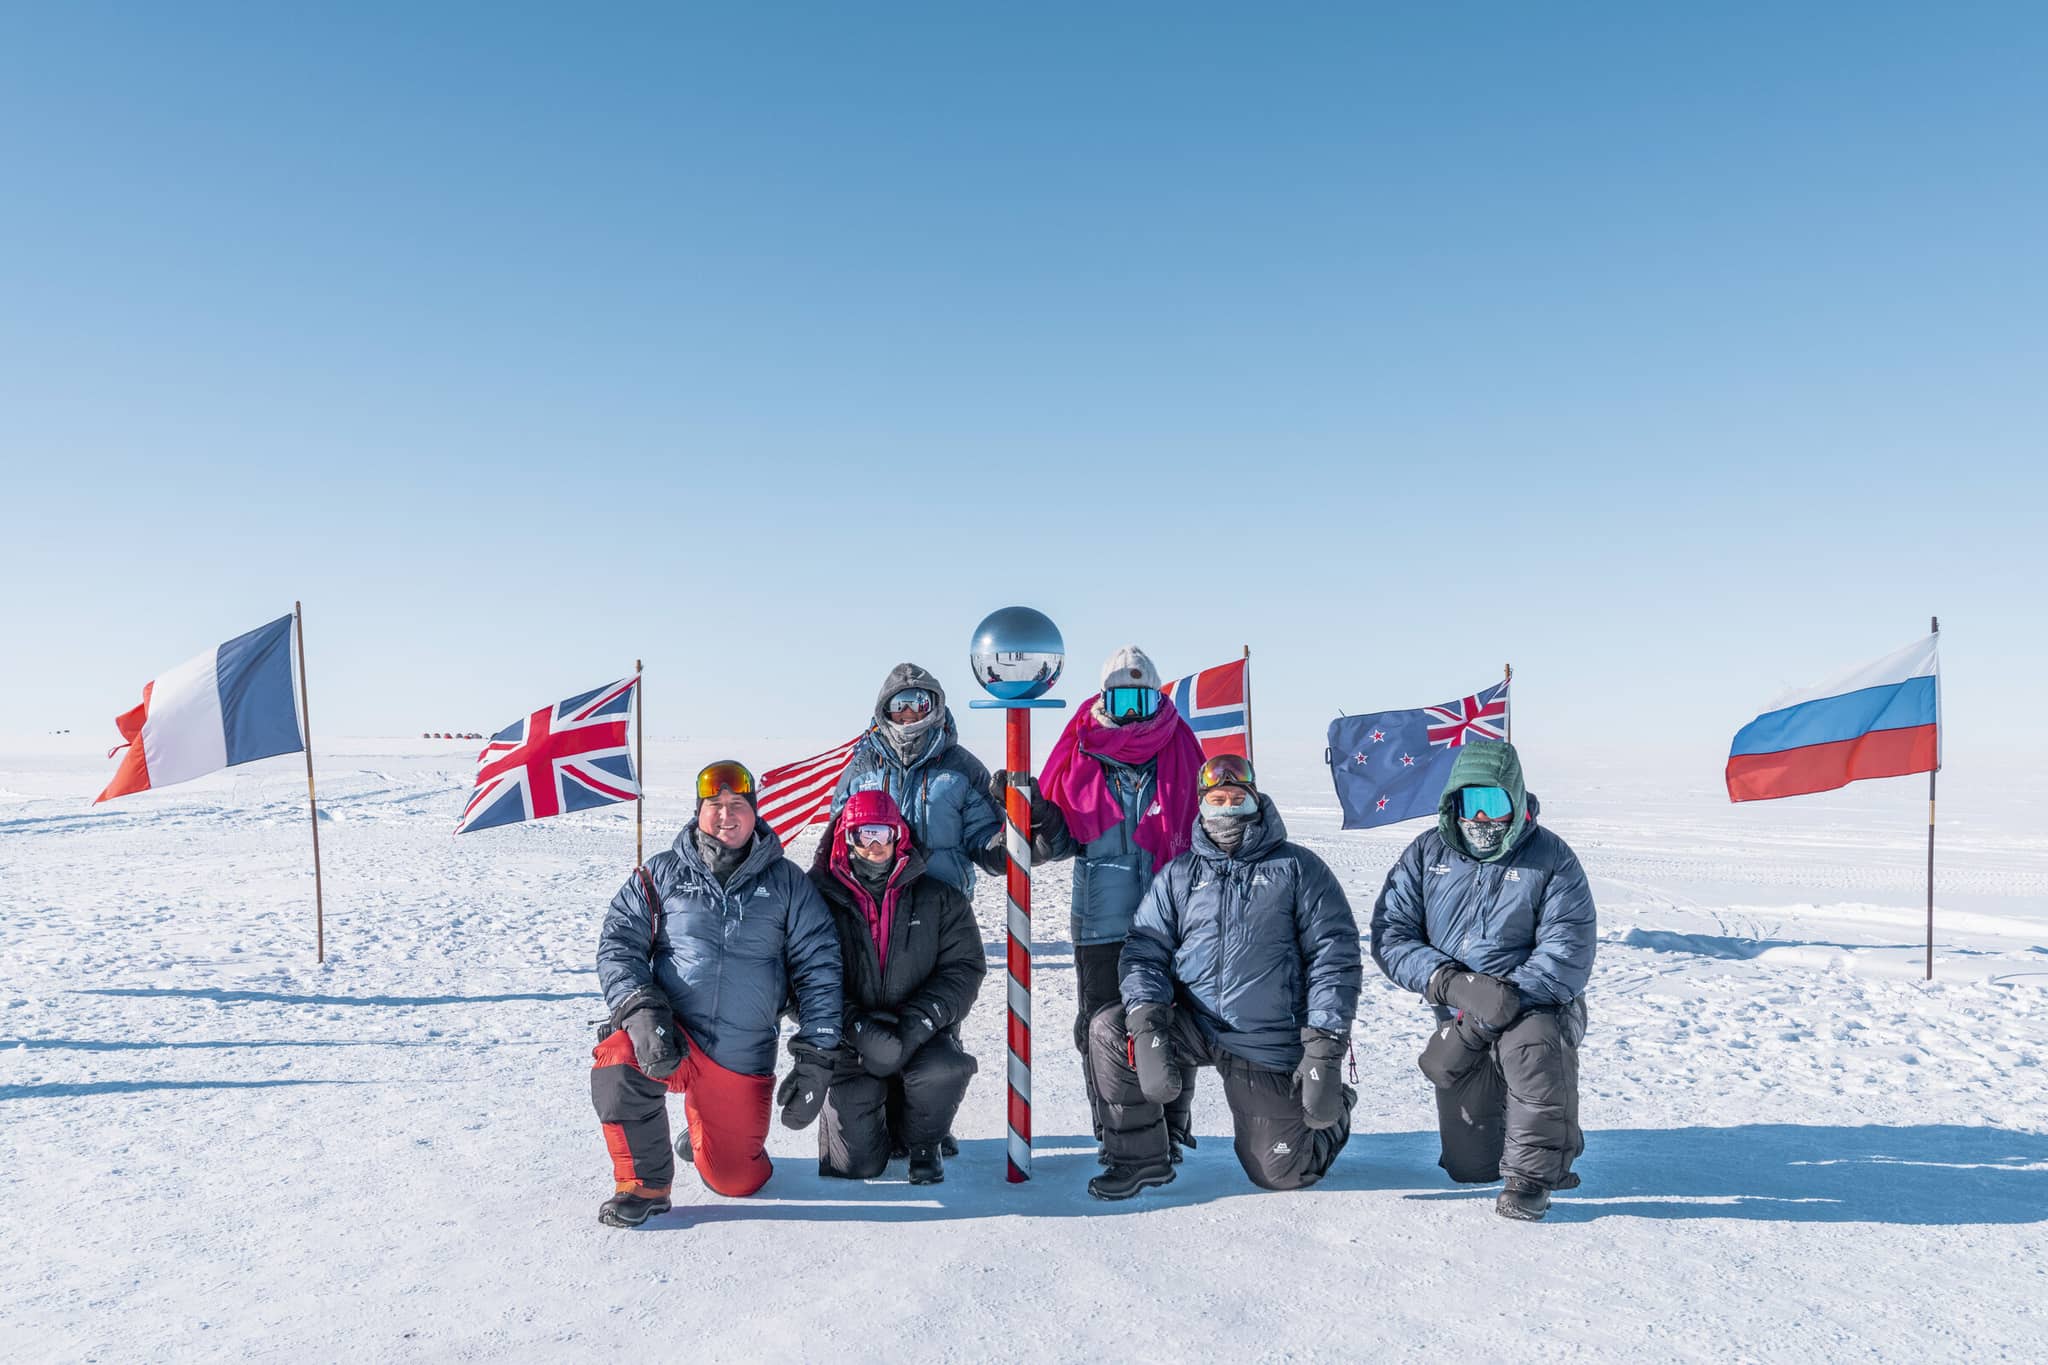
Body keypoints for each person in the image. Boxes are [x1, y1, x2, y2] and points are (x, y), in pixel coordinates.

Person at [1087, 754, 1362, 1199]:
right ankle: (1141, 1160)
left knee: (1279, 1173)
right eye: (1218, 799)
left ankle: (1338, 1112)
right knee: (1109, 1029)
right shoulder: (1180, 873)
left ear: (1255, 801)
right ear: (1202, 806)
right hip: (1192, 1025)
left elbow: (1335, 957)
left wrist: (1325, 1048)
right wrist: (1146, 1019)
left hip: (1266, 1036)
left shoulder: (1298, 868)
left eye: (1238, 798)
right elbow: (1144, 949)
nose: (1228, 808)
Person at [590, 760, 843, 1228]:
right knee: (616, 1057)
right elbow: (619, 941)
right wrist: (638, 1008)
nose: (727, 816)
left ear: (755, 813)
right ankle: (642, 1185)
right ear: (699, 812)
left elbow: (820, 967)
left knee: (736, 1181)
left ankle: (706, 1138)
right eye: (716, 806)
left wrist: (817, 1056)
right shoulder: (661, 873)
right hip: (669, 1038)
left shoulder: (788, 883)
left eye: (738, 806)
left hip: (741, 1054)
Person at [1368, 739, 1597, 1222]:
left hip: (1537, 1004)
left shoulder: (1551, 858)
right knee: (1468, 1166)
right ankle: (1526, 1136)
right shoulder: (1427, 852)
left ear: (1515, 800)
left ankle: (1533, 1179)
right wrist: (1450, 983)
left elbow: (1567, 952)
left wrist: (1505, 998)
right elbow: (1392, 933)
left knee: (1531, 1050)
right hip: (1457, 1004)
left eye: (1495, 803)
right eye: (1471, 803)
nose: (1482, 818)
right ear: (1453, 803)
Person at [993, 646, 1205, 1154]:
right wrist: (1037, 813)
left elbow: (1205, 830)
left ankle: (1173, 1128)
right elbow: (1060, 841)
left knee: (1170, 1023)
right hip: (1102, 919)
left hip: (1171, 917)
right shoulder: (1081, 747)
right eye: (1120, 697)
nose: (1131, 710)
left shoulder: (1180, 746)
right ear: (1104, 696)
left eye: (1141, 697)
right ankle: (1116, 1131)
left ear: (1156, 696)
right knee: (1101, 1028)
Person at [807, 788, 985, 1184]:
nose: (874, 846)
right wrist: (853, 1025)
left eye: (882, 833)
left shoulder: (939, 897)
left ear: (898, 836)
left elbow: (965, 967)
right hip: (849, 1041)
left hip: (919, 1035)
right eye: (863, 834)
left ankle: (924, 1141)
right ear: (846, 837)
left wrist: (918, 1023)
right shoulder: (816, 897)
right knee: (856, 1167)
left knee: (943, 1068)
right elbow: (801, 973)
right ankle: (871, 1127)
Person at [832, 663, 1007, 898]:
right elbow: (838, 838)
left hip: (946, 905)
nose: (907, 711)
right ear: (884, 708)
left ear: (933, 705)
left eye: (917, 701)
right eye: (898, 703)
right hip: (877, 907)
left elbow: (984, 837)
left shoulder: (962, 767)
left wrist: (1010, 841)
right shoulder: (863, 768)